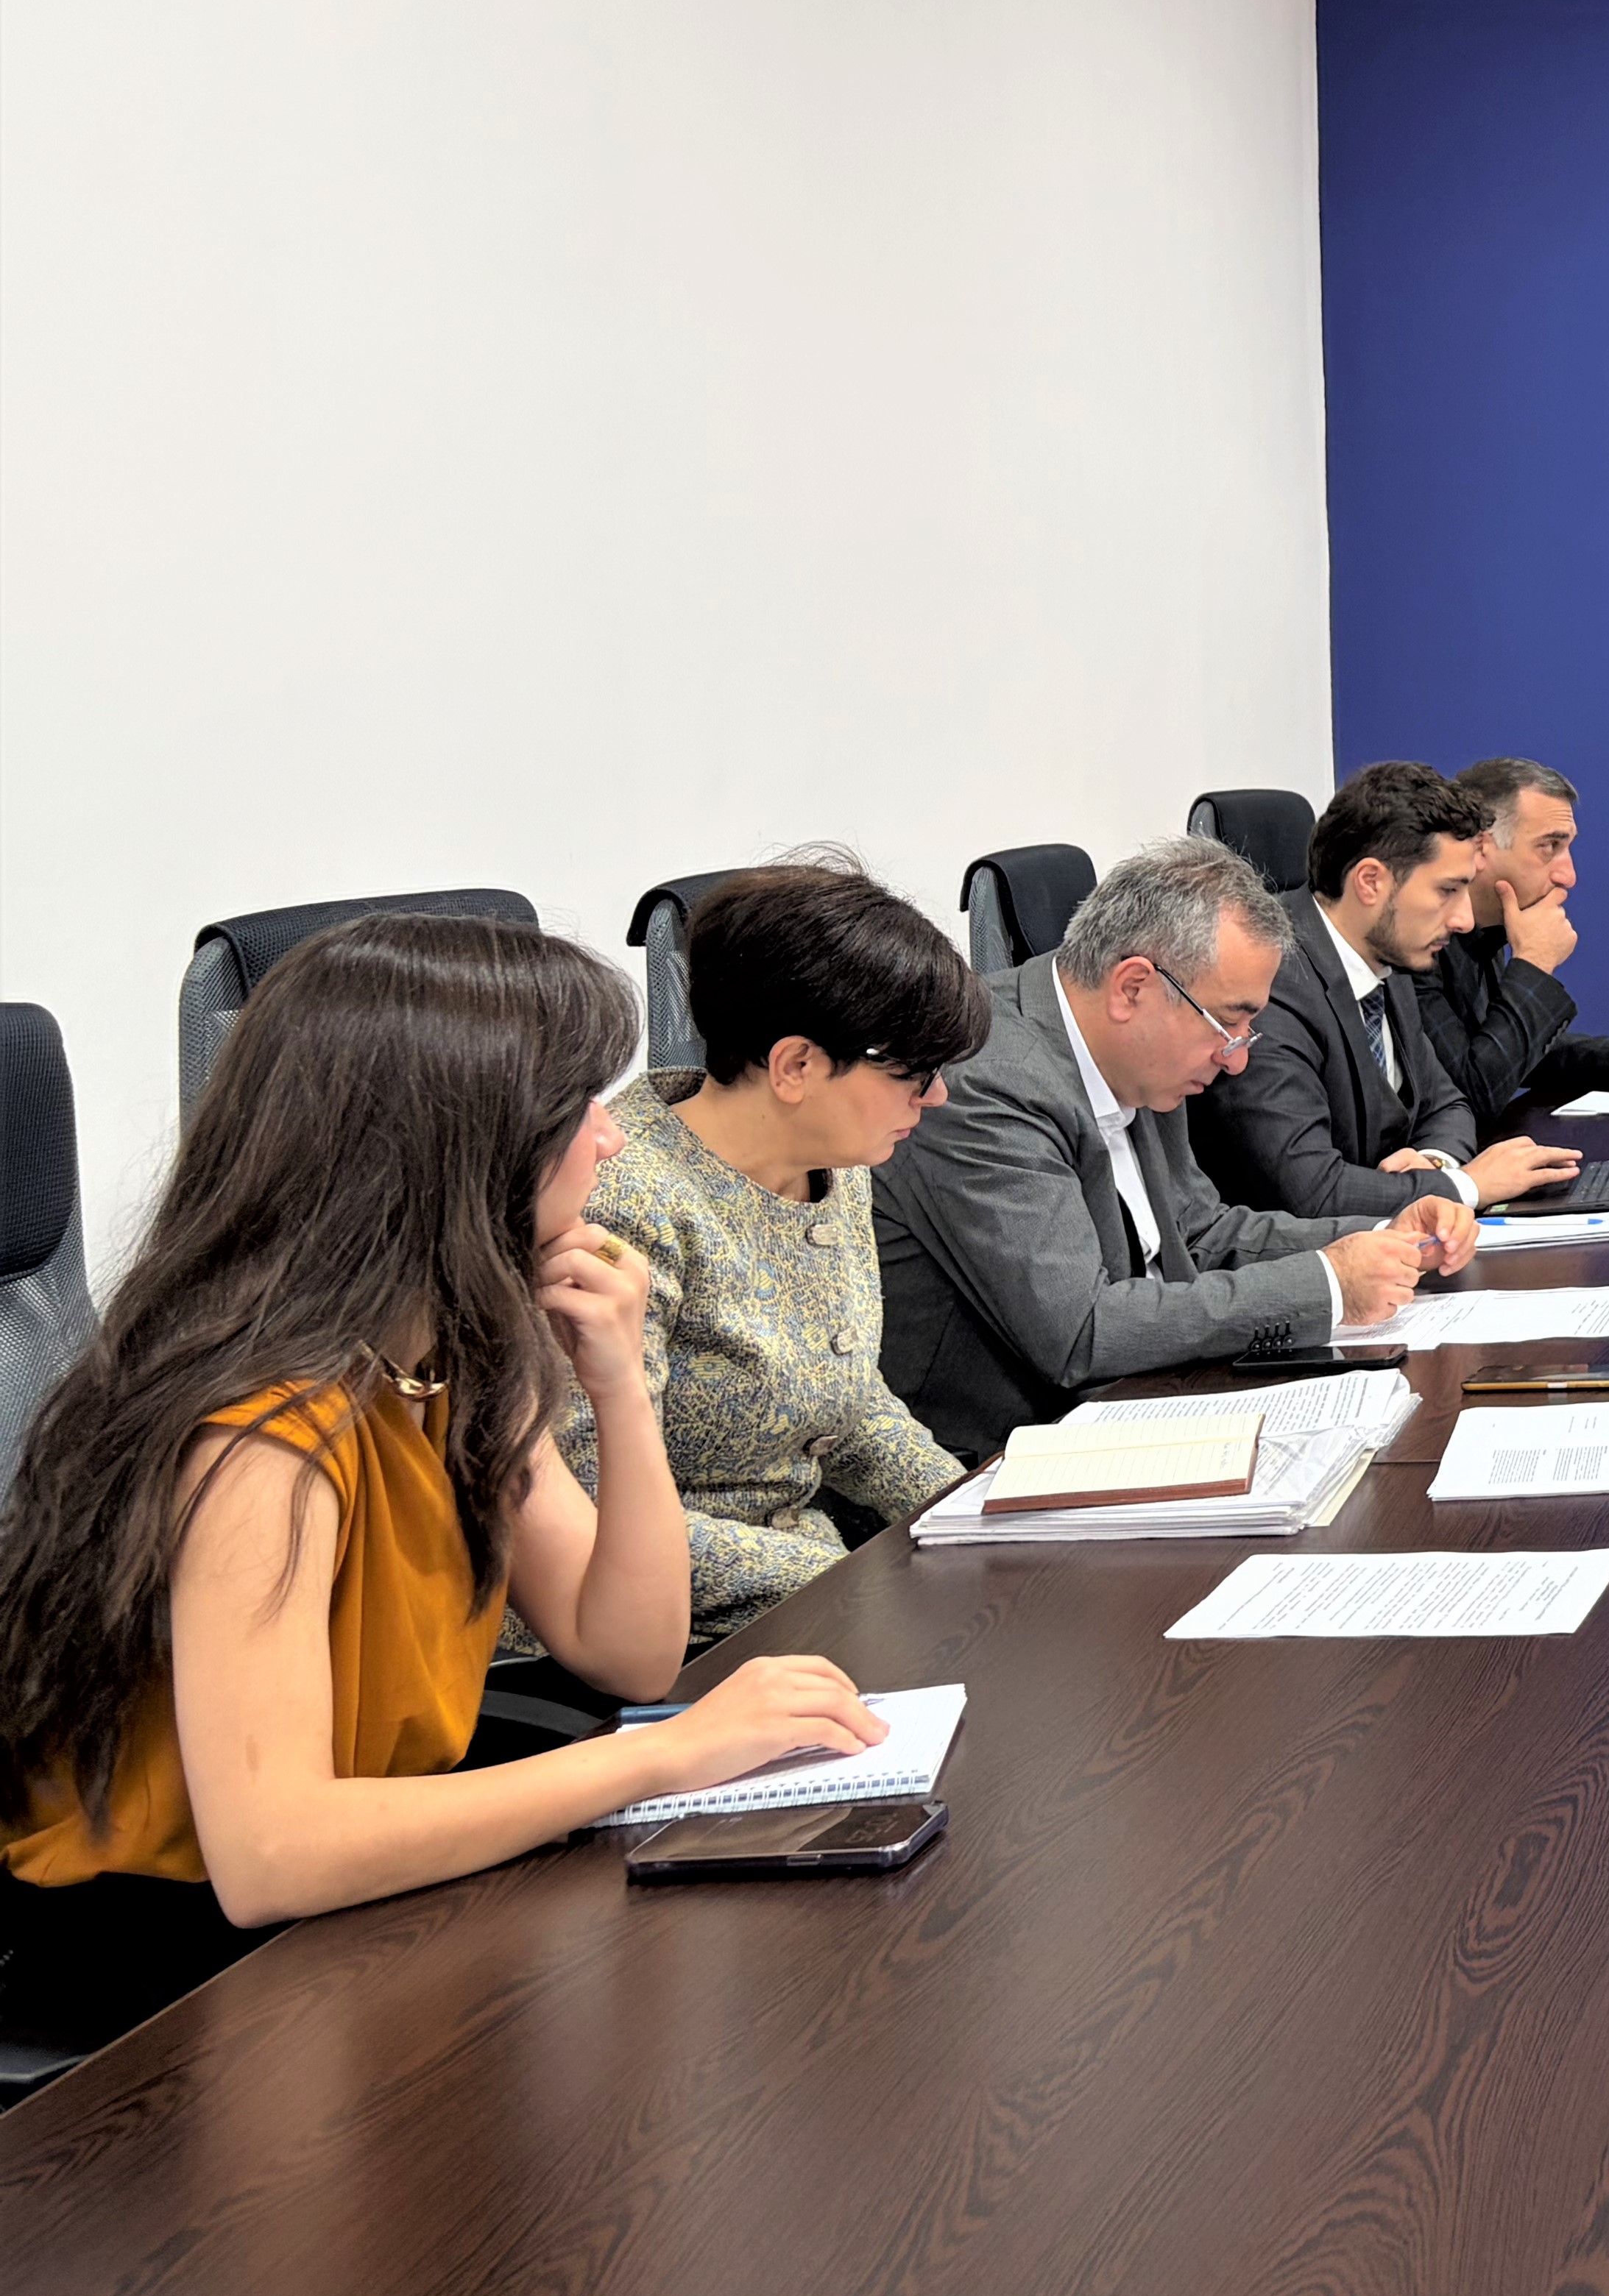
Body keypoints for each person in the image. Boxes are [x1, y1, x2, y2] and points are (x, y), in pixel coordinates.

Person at [0, 914, 885, 2058]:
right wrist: (659, 1755)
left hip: (364, 1895)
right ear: (466, 1146)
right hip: (166, 1974)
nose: (611, 1135)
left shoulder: (448, 1356)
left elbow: (630, 1651)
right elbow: (273, 1855)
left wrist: (620, 1387)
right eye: (575, 1106)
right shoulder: (260, 1439)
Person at [508, 860, 996, 1695]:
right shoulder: (622, 1202)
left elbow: (848, 1405)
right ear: (796, 1065)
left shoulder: (832, 1164)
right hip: (658, 1643)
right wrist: (864, 1580)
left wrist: (971, 1510)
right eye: (914, 1073)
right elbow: (591, 1507)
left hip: (808, 1596)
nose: (939, 1094)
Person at [874, 840, 1476, 1462]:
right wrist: (1329, 1283)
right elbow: (1082, 1332)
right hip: (995, 1458)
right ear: (1132, 987)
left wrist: (1382, 1236)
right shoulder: (986, 1082)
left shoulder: (1140, 1056)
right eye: (1228, 1023)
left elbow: (1200, 1232)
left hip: (1149, 1402)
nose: (1236, 1058)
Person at [1194, 764, 1585, 1219]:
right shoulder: (1270, 984)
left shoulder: (1387, 957)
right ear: (1371, 882)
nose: (1463, 920)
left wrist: (1435, 1163)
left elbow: (1448, 1103)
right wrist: (1465, 1185)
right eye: (1447, 890)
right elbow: (1312, 1194)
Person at [1414, 757, 1609, 1143]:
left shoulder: (1492, 929)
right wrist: (1534, 962)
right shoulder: (1416, 944)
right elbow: (1472, 1094)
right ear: (1481, 848)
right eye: (1549, 846)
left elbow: (1504, 1048)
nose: (1568, 876)